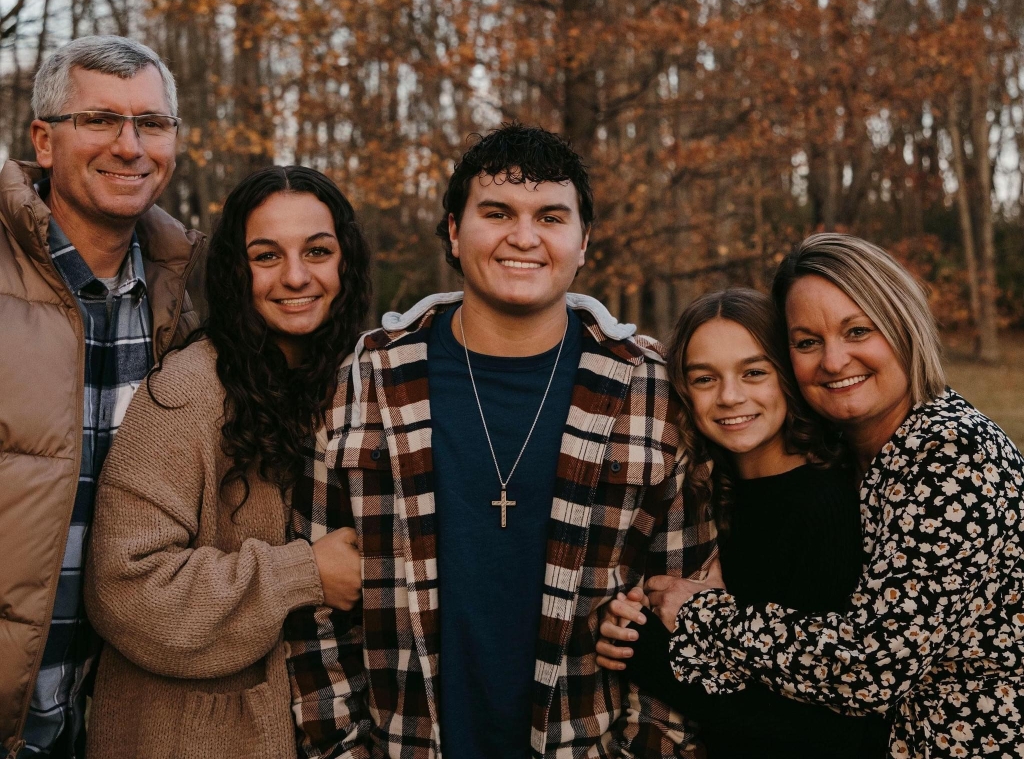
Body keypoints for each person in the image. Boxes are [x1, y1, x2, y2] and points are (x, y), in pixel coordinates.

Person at [285, 122, 718, 759]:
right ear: (455, 233)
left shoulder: (649, 390)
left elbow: (683, 599)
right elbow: (314, 609)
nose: (524, 236)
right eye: (497, 212)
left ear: (583, 240)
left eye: (550, 216)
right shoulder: (368, 380)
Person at [608, 233, 1024, 759]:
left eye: (857, 331)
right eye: (807, 342)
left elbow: (870, 668)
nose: (833, 360)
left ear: (903, 325)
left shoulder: (950, 452)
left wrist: (697, 618)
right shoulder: (855, 455)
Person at [82, 165, 372, 758]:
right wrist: (304, 573)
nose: (296, 277)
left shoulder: (360, 385)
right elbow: (123, 590)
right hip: (190, 736)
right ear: (237, 273)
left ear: (346, 261)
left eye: (317, 251)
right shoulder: (188, 394)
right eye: (266, 256)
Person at [0, 36, 205, 758]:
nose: (130, 145)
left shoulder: (191, 297)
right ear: (44, 140)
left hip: (100, 722)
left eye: (151, 123)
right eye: (100, 120)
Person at [595, 288, 889, 757]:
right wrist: (630, 617)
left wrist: (645, 652)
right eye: (705, 378)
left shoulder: (820, 506)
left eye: (754, 372)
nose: (730, 397)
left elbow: (830, 726)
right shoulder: (711, 489)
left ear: (787, 377)